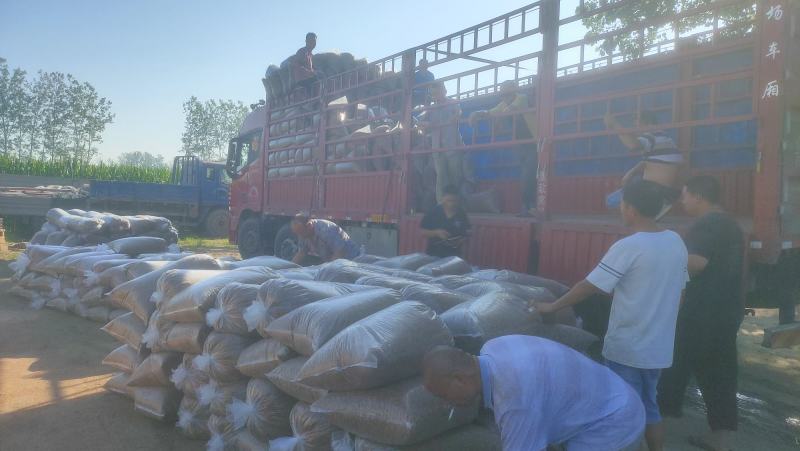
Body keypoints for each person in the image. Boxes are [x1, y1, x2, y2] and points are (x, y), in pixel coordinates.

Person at [533, 179, 689, 451]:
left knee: (622, 409)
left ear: (630, 208)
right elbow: (681, 291)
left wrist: (551, 307)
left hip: (628, 346)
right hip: (658, 348)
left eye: (622, 206)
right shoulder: (674, 241)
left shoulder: (629, 246)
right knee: (650, 406)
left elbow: (588, 286)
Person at [422, 336, 645, 451]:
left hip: (614, 419)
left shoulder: (514, 400)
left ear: (460, 378)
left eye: (443, 395)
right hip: (612, 392)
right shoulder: (493, 347)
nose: (447, 403)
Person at [658, 176, 744, 451]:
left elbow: (696, 263)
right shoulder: (729, 223)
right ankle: (722, 435)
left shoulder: (708, 224)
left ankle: (659, 426)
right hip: (725, 309)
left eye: (685, 196)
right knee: (718, 371)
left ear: (698, 196)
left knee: (677, 363)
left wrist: (662, 258)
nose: (682, 202)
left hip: (703, 312)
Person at [469, 80, 538, 215]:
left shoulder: (521, 98)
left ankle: (530, 207)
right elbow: (490, 112)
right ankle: (528, 207)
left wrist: (497, 118)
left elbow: (509, 110)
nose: (503, 96)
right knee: (526, 175)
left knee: (529, 174)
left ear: (513, 90)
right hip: (522, 144)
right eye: (502, 94)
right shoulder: (504, 103)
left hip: (534, 141)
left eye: (505, 93)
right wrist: (477, 113)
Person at [604, 111, 684, 219]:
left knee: (611, 201)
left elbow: (632, 145)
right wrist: (631, 172)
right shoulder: (666, 140)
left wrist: (614, 124)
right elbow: (652, 161)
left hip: (653, 190)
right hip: (668, 190)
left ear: (647, 123)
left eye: (637, 124)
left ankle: (652, 210)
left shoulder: (651, 137)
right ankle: (652, 209)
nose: (636, 129)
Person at [417, 82, 464, 202]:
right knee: (441, 179)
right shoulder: (430, 108)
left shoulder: (453, 103)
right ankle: (441, 207)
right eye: (433, 93)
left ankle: (455, 206)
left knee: (455, 178)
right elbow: (419, 122)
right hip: (437, 149)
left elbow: (457, 115)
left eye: (437, 92)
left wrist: (432, 124)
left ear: (444, 91)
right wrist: (425, 124)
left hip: (452, 146)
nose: (435, 95)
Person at [420, 185, 470, 258]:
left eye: (454, 201)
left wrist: (460, 241)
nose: (452, 204)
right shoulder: (433, 211)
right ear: (443, 199)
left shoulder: (461, 214)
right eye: (449, 200)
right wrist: (436, 233)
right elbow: (422, 231)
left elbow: (466, 233)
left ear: (458, 200)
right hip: (433, 255)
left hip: (453, 257)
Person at [290, 214, 360, 265]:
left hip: (351, 260)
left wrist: (326, 270)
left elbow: (339, 252)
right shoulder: (303, 233)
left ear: (309, 226)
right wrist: (288, 268)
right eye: (298, 234)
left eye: (301, 233)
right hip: (334, 261)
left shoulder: (326, 230)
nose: (300, 236)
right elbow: (302, 253)